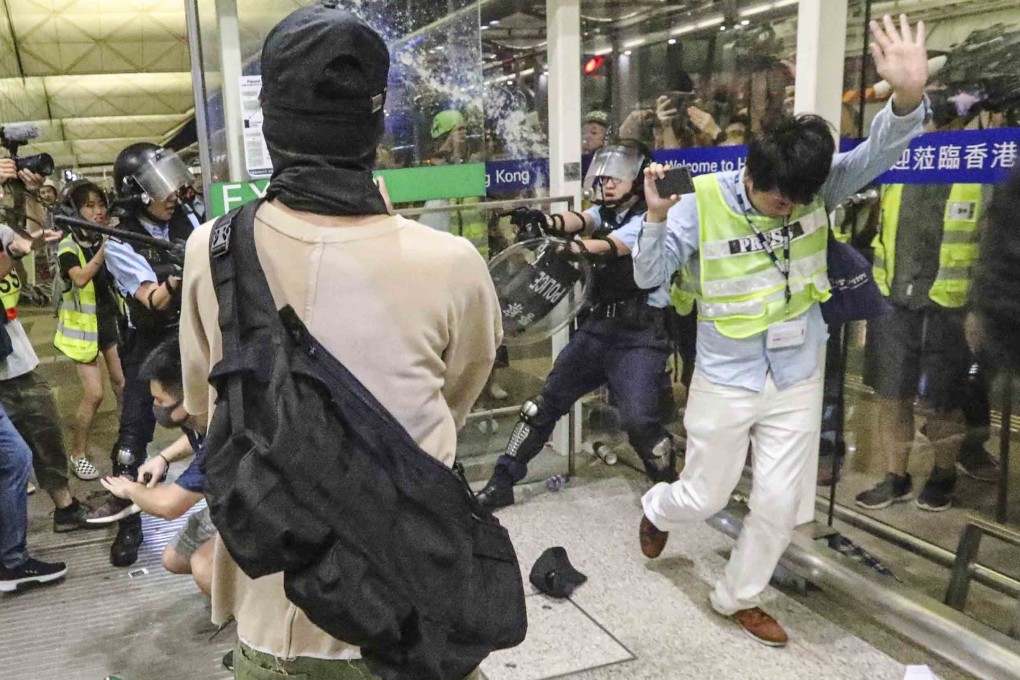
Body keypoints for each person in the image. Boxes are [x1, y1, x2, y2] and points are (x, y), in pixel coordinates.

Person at [179, 6, 499, 678]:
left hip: (276, 609)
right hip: (414, 608)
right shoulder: (451, 262)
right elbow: (458, 394)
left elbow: (208, 407)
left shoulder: (214, 249)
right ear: (376, 125)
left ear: (269, 123)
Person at [633, 14, 930, 646]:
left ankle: (737, 595)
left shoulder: (813, 188)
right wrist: (655, 220)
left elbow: (878, 154)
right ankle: (658, 506)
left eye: (800, 200)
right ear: (751, 175)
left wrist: (906, 97)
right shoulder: (700, 202)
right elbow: (649, 275)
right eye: (778, 201)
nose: (790, 208)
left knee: (778, 502)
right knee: (706, 495)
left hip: (798, 373)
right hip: (726, 375)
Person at [475, 139, 680, 511]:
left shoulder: (654, 216)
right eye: (604, 176)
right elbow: (583, 220)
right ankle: (501, 482)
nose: (607, 183)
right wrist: (545, 222)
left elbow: (614, 245)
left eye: (617, 177)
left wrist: (569, 248)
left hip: (640, 335)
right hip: (598, 328)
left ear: (638, 180)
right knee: (541, 407)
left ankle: (668, 490)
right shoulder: (607, 212)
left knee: (640, 423)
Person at [856, 94, 997, 512]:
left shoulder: (976, 165)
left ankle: (943, 473)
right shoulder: (898, 162)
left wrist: (978, 310)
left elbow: (990, 246)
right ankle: (895, 476)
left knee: (944, 400)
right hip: (892, 297)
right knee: (891, 393)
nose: (931, 126)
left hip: (950, 304)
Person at [85, 143, 198, 568]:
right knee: (132, 438)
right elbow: (152, 300)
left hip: (193, 335)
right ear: (137, 192)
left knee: (216, 418)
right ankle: (129, 517)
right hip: (149, 341)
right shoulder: (119, 241)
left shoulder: (189, 217)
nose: (172, 194)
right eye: (159, 187)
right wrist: (178, 277)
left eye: (172, 183)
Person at [0, 158, 90, 534]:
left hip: (14, 358)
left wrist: (30, 191)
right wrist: (15, 252)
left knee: (45, 432)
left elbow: (31, 235)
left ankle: (65, 508)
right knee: (12, 459)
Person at [97, 337, 213, 595]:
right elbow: (195, 436)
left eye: (160, 401)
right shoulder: (198, 416)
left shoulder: (222, 438)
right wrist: (164, 458)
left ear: (192, 395)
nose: (155, 408)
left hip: (257, 514)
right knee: (174, 559)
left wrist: (130, 490)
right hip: (226, 505)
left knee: (204, 569)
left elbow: (169, 505)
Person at [54, 180, 126, 481]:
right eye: (90, 206)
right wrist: (105, 247)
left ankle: (127, 445)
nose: (98, 211)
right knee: (95, 395)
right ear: (75, 211)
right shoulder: (67, 245)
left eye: (101, 205)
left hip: (109, 322)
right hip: (82, 331)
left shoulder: (102, 238)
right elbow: (80, 278)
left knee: (123, 385)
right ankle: (78, 454)